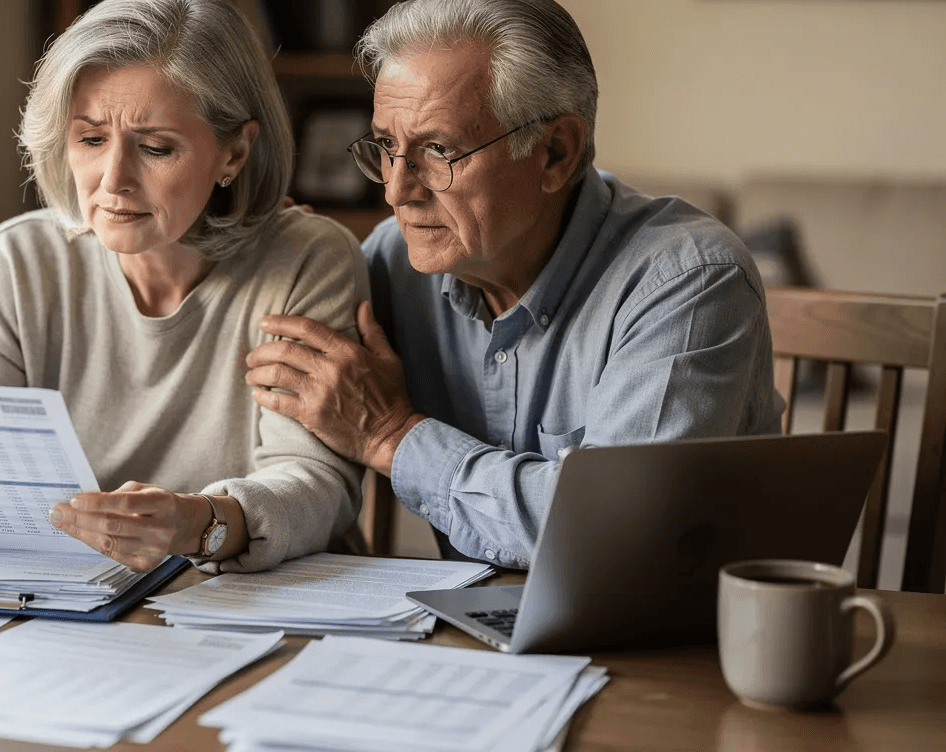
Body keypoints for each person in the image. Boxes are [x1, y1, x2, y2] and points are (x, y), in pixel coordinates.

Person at [0, 0, 368, 573]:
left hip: (263, 601)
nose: (114, 180)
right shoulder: (17, 260)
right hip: (69, 593)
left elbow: (318, 486)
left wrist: (200, 523)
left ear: (235, 152)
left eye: (156, 147)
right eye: (91, 139)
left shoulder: (309, 258)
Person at [245, 0, 785, 568]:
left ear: (555, 152)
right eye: (386, 147)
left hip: (664, 622)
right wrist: (283, 253)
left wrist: (392, 436)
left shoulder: (688, 281)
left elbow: (612, 536)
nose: (397, 191)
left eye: (439, 150)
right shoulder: (391, 261)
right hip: (468, 618)